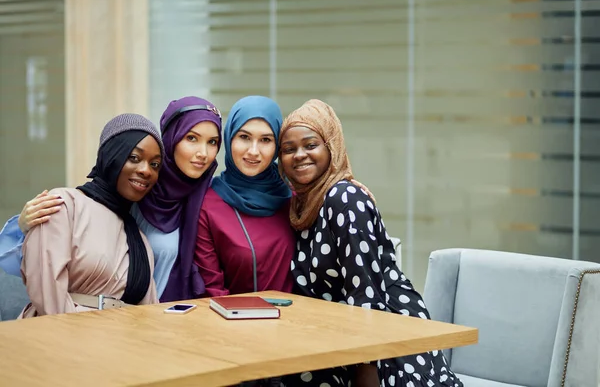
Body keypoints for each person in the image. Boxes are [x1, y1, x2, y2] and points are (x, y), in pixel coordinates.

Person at [278, 99, 462, 387]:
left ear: (332, 146)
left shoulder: (345, 198)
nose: (299, 155)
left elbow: (366, 294)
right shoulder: (302, 207)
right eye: (289, 149)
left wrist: (367, 367)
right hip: (338, 343)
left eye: (311, 145)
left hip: (383, 345)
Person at [0, 97, 222, 302]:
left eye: (213, 142)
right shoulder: (131, 192)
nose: (202, 153)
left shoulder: (207, 198)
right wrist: (22, 227)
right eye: (191, 138)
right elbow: (45, 262)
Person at [21, 113, 163, 317]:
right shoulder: (63, 204)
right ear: (112, 154)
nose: (146, 171)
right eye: (134, 157)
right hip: (60, 338)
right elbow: (48, 296)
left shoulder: (140, 241)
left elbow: (149, 312)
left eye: (155, 164)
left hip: (124, 342)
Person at [194, 96, 295, 297]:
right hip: (236, 323)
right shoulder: (208, 205)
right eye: (244, 137)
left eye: (266, 140)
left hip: (300, 323)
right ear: (230, 137)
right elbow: (212, 288)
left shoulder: (295, 198)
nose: (253, 151)